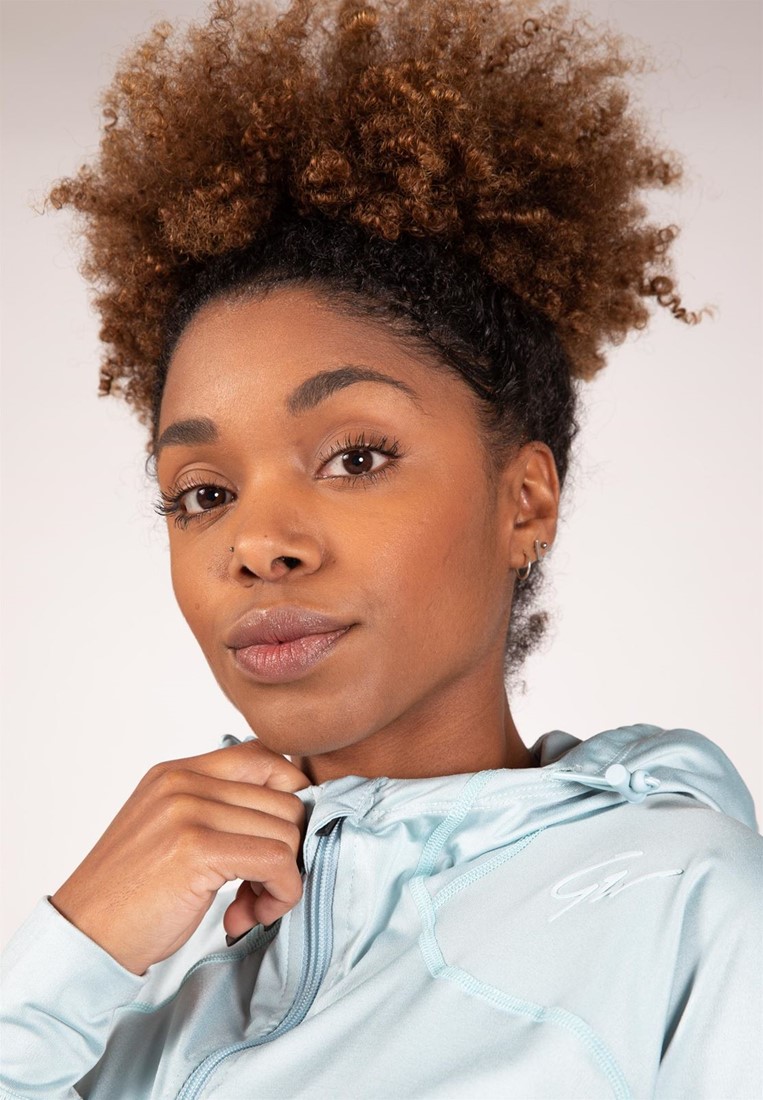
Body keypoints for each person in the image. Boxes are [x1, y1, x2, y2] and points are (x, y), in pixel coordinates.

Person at [1, 0, 761, 1097]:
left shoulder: (681, 906)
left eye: (354, 457)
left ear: (524, 501)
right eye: (203, 492)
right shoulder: (144, 983)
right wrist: (73, 949)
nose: (257, 544)